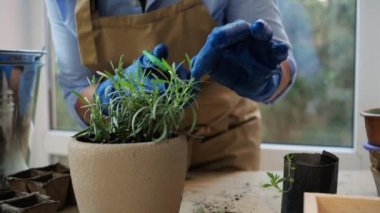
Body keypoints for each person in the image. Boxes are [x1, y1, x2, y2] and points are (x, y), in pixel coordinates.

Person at [45, 0, 297, 171]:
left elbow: (281, 61)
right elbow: (76, 85)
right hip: (128, 159)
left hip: (221, 148)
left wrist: (267, 76)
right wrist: (108, 96)